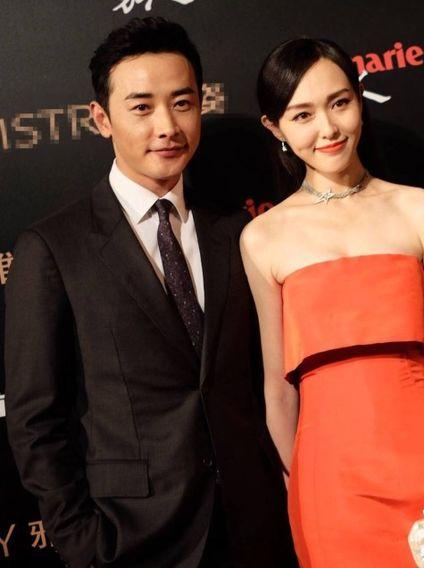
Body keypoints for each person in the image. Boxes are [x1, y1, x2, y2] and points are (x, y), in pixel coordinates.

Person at [4, 18, 297, 568]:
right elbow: (34, 418)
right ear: (101, 119)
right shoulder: (54, 247)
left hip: (253, 529)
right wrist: (81, 539)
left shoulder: (237, 231)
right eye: (141, 107)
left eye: (182, 103)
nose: (167, 126)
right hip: (130, 539)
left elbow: (276, 371)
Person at [240, 37, 424, 567]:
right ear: (275, 128)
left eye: (339, 103)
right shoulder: (263, 237)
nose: (328, 128)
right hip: (330, 485)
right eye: (302, 115)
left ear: (359, 99)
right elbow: (278, 389)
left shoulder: (419, 210)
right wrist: (298, 483)